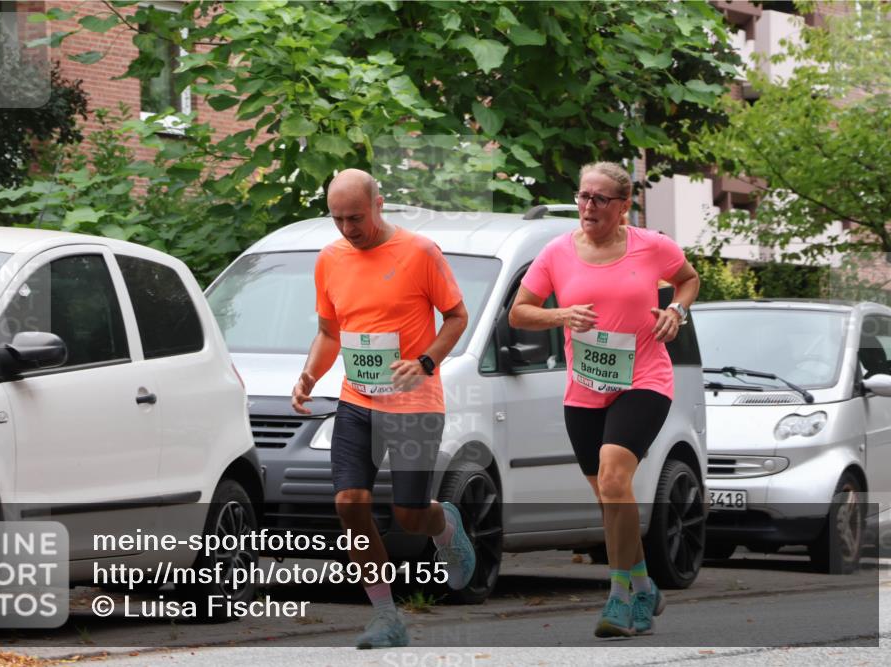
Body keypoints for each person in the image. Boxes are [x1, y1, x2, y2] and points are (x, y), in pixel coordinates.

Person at [509, 161, 700, 638]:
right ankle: (644, 585)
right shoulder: (556, 252)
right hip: (585, 387)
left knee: (616, 479)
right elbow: (519, 313)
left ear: (622, 206)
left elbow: (689, 279)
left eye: (599, 199)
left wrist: (676, 310)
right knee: (608, 497)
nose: (588, 207)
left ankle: (620, 599)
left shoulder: (652, 246)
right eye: (583, 196)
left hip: (644, 379)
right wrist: (562, 316)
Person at [291, 168, 476, 649]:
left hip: (414, 402)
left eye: (356, 217)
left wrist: (426, 361)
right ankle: (386, 615)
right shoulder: (329, 259)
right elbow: (331, 333)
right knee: (349, 503)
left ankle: (445, 524)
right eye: (337, 219)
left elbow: (457, 316)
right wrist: (310, 375)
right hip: (357, 399)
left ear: (379, 203)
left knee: (410, 517)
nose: (348, 229)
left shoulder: (419, 252)